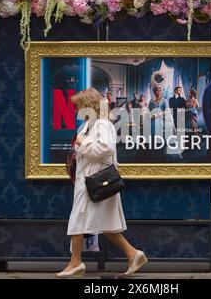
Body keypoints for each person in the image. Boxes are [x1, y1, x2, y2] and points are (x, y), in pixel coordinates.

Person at [56, 88, 147, 278]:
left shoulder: (102, 124)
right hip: (90, 180)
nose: (75, 109)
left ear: (89, 105)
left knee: (78, 220)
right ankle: (133, 254)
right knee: (103, 223)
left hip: (96, 180)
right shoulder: (90, 124)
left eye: (78, 105)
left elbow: (105, 149)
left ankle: (76, 263)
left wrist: (82, 143)